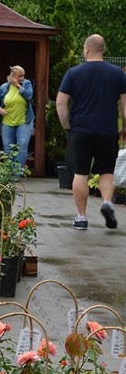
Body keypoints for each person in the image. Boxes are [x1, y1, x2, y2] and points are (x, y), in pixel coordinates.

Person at [56, 34, 126, 230]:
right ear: (103, 49)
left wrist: (66, 124)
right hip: (107, 130)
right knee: (106, 171)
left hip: (80, 130)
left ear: (86, 49)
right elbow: (125, 105)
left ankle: (81, 218)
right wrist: (124, 128)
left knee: (80, 173)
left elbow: (61, 102)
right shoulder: (118, 74)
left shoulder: (73, 73)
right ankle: (106, 202)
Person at [0, 65, 34, 174]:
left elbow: (29, 96)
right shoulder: (4, 87)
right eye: (19, 76)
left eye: (23, 76)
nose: (22, 78)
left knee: (22, 145)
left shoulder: (27, 84)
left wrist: (17, 85)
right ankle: (8, 173)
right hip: (8, 121)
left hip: (24, 120)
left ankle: (17, 174)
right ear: (12, 76)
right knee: (7, 148)